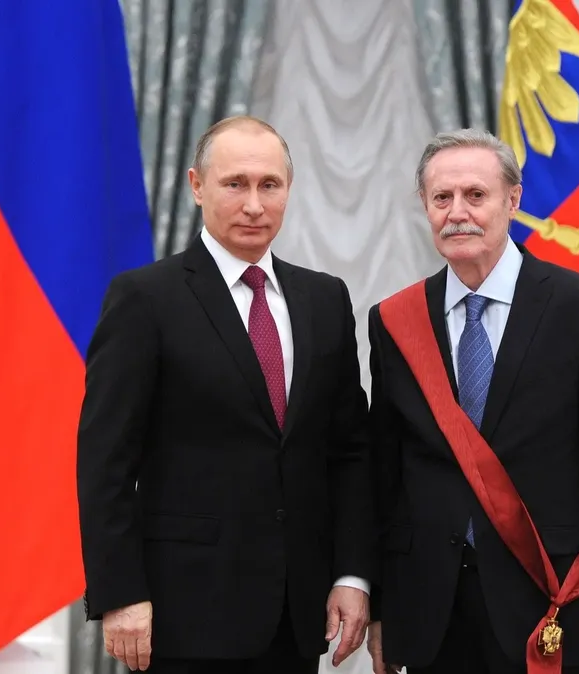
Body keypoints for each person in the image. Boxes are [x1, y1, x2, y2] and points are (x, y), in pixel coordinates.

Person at [76, 115, 373, 674]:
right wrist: (120, 593)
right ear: (196, 186)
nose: (254, 205)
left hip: (295, 615)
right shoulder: (144, 299)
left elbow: (350, 453)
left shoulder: (325, 299)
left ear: (288, 189)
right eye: (235, 184)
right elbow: (105, 461)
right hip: (183, 614)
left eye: (269, 185)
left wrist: (352, 575)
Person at [364, 129, 579, 674]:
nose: (457, 213)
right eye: (442, 197)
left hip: (548, 598)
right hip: (429, 610)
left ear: (513, 200)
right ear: (424, 205)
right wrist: (381, 604)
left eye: (476, 195)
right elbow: (384, 474)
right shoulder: (394, 320)